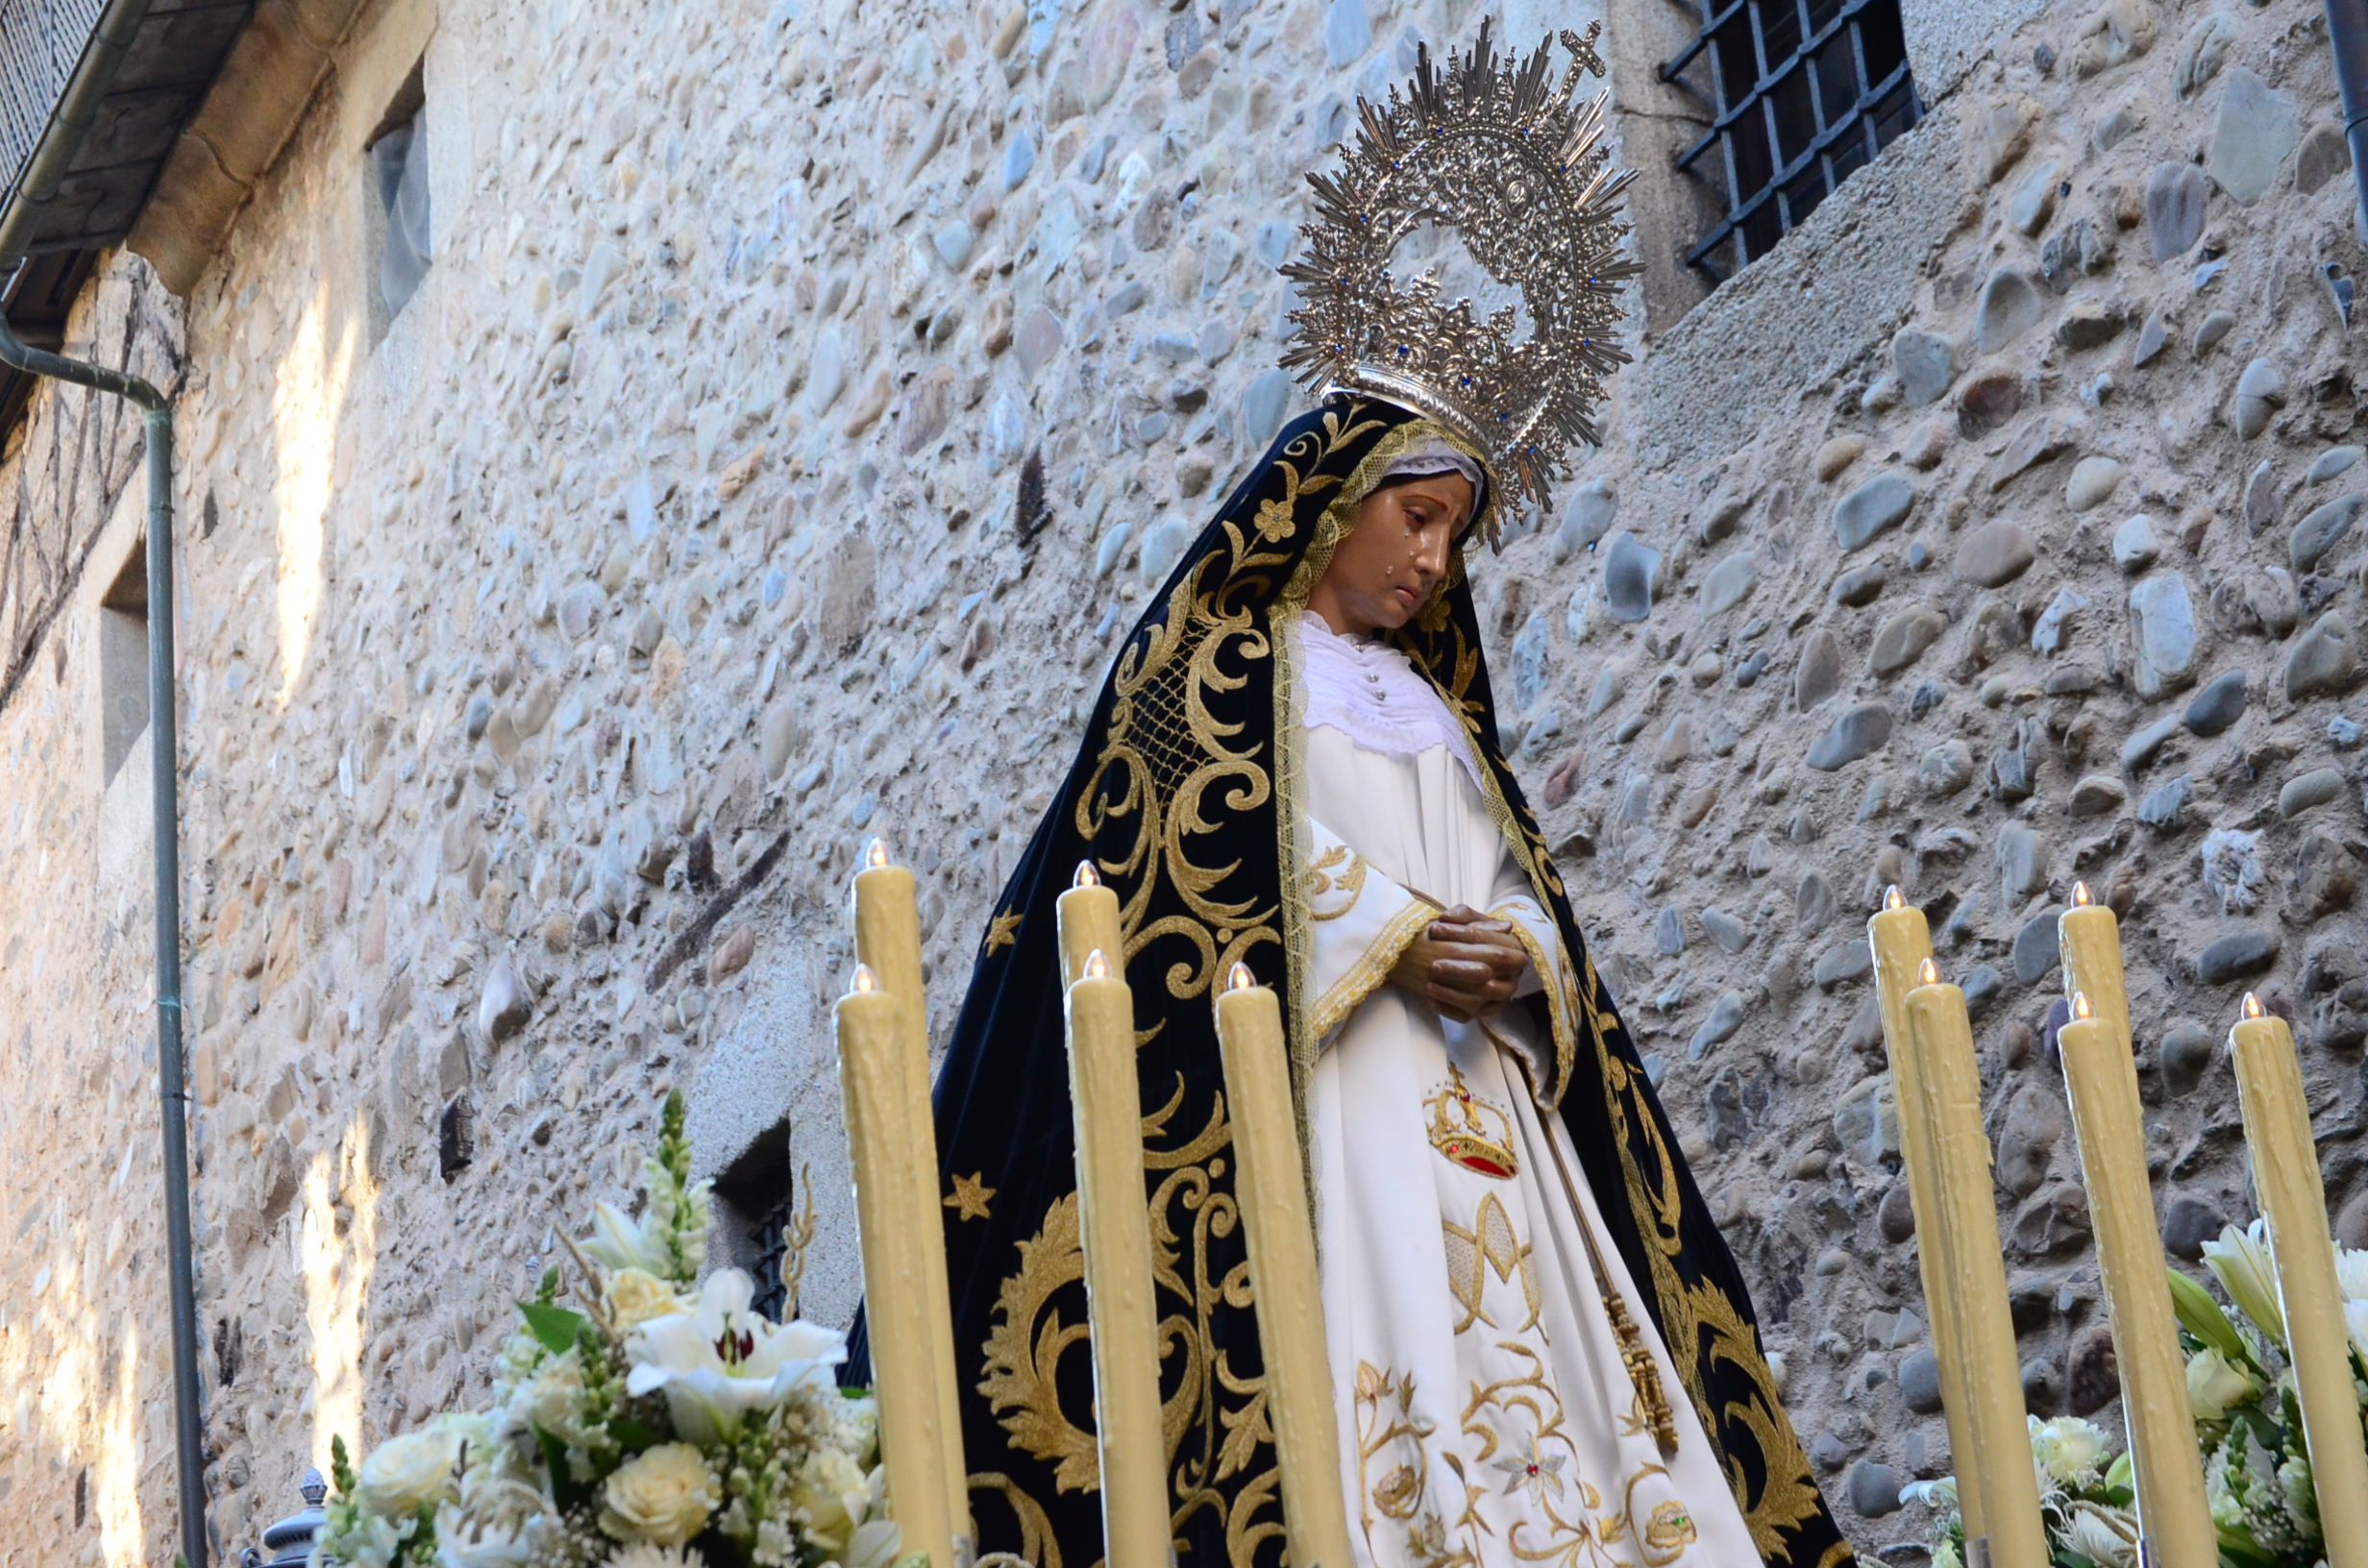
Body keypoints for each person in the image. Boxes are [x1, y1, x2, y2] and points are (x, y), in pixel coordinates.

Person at [846, 26, 1850, 1568]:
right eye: (1418, 517)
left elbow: (1509, 882)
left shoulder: (1441, 714)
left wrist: (1521, 951)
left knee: (1574, 1400)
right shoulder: (1212, 673)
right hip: (1329, 1082)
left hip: (1490, 1092)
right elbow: (1180, 875)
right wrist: (1389, 929)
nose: (1435, 560)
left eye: (1455, 533)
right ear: (1329, 503)